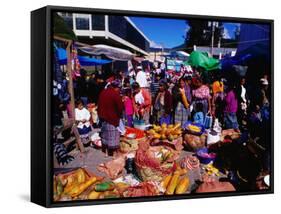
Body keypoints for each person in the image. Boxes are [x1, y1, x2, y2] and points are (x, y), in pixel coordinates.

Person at [98, 80, 123, 156]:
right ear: (116, 87)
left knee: (105, 135)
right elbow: (120, 107)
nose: (119, 90)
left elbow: (99, 104)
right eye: (119, 88)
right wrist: (119, 115)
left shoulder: (103, 92)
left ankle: (106, 152)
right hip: (112, 118)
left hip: (103, 117)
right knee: (113, 136)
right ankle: (114, 153)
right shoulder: (115, 94)